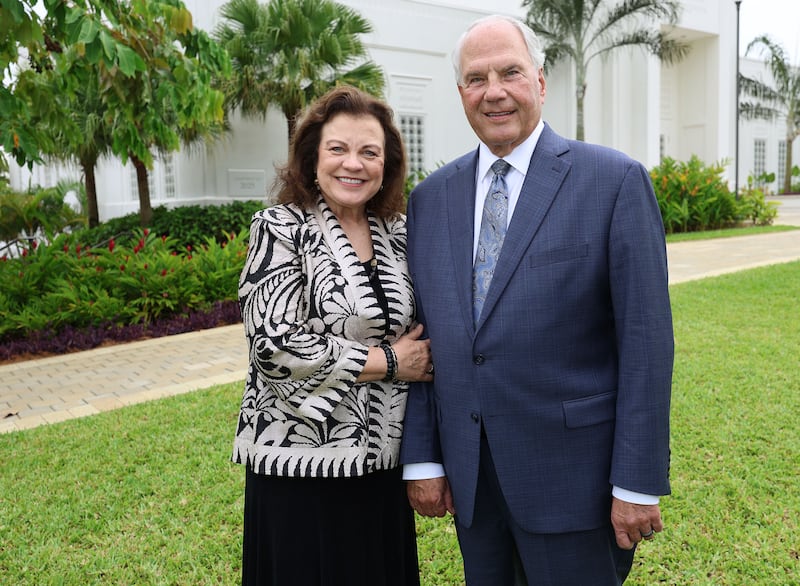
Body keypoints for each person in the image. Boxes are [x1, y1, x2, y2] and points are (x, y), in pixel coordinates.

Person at [400, 15, 674, 586]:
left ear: (541, 82)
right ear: (460, 94)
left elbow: (646, 344)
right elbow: (426, 335)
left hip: (577, 483)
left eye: (510, 72)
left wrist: (637, 482)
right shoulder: (429, 199)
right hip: (473, 484)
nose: (494, 91)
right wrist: (424, 459)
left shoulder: (614, 181)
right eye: (476, 79)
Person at [233, 85, 432, 586]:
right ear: (312, 158)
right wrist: (390, 361)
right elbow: (274, 346)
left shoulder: (401, 233)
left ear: (386, 164)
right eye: (338, 149)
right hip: (299, 469)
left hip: (382, 467)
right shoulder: (280, 228)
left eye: (370, 152)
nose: (354, 164)